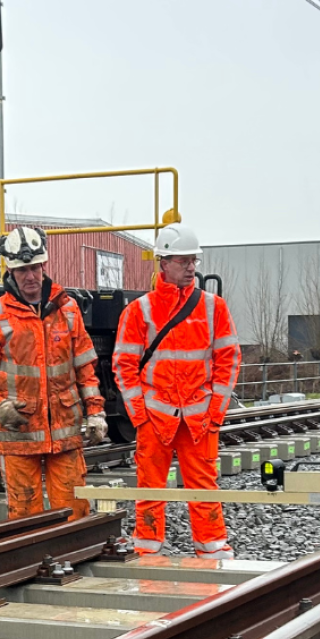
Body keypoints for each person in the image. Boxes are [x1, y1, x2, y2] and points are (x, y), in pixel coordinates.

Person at [112, 222, 241, 557]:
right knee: (150, 489)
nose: (191, 267)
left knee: (204, 486)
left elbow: (229, 360)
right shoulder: (139, 310)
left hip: (198, 418)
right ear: (163, 263)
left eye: (193, 261)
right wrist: (140, 416)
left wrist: (215, 413)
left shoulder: (213, 307)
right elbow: (123, 366)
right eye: (183, 261)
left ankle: (212, 550)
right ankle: (147, 551)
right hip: (156, 416)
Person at [0, 226, 108, 521]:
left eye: (34, 268)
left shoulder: (67, 310)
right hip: (20, 434)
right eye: (22, 270)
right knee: (23, 519)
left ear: (44, 265)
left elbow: (85, 369)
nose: (30, 276)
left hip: (65, 434)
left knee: (74, 514)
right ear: (11, 272)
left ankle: (73, 562)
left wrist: (96, 413)